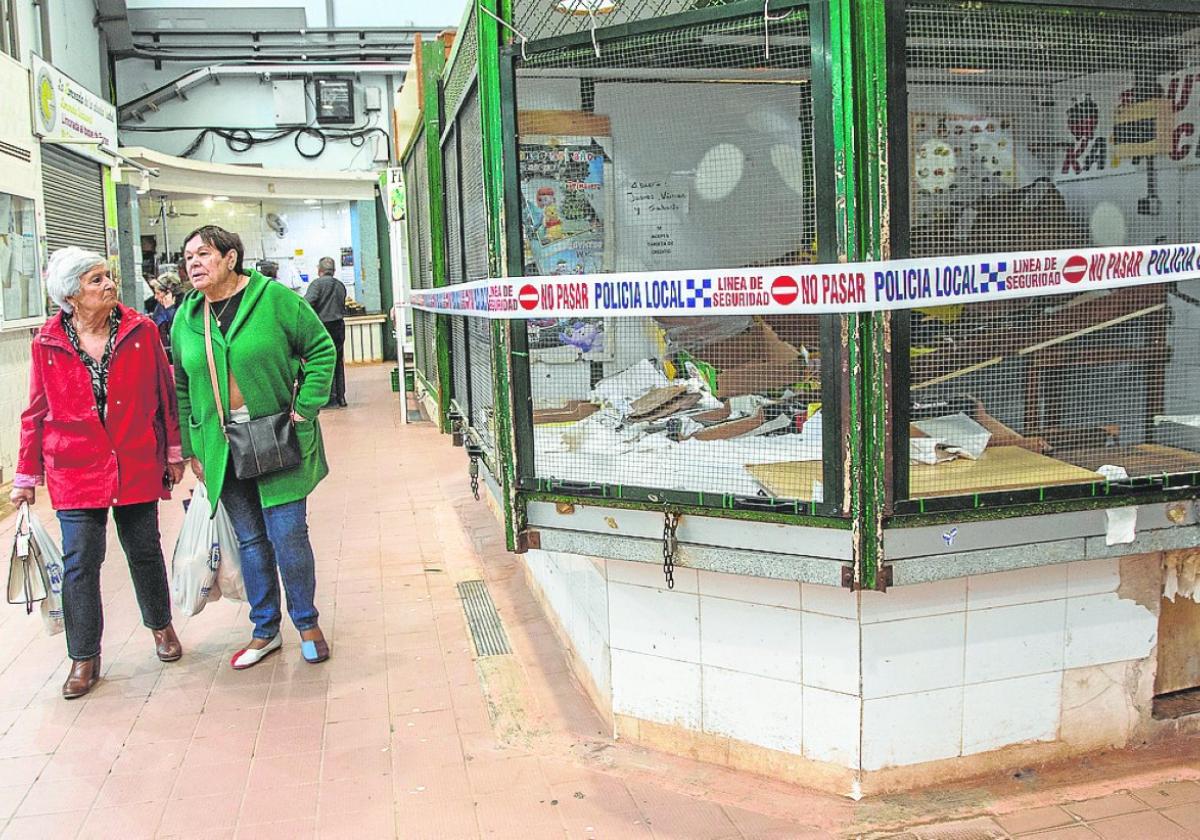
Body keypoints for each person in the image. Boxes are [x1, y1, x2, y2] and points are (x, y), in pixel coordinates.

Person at [11, 248, 185, 699]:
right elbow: (35, 412)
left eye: (107, 276)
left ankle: (161, 628)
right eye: (95, 280)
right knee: (80, 563)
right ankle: (84, 656)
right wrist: (25, 476)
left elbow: (164, 393)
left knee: (144, 550)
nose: (108, 284)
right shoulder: (47, 341)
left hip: (134, 458)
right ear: (70, 296)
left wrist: (172, 450)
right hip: (74, 466)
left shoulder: (140, 330)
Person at [172, 225, 336, 668]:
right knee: (250, 541)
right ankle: (265, 630)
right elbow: (183, 387)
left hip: (276, 438)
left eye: (203, 254)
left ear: (230, 258)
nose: (193, 264)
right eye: (188, 257)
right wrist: (193, 448)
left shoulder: (274, 299)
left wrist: (304, 409)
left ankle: (306, 623)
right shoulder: (187, 318)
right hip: (222, 447)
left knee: (288, 536)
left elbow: (321, 348)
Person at [305, 257, 348, 407]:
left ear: (319, 270)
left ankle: (327, 398)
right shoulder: (340, 286)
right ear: (334, 270)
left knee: (322, 361)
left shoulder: (316, 284)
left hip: (321, 328)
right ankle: (340, 397)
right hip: (338, 327)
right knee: (338, 361)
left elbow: (306, 305)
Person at [150, 271, 190, 355]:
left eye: (158, 293)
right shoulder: (160, 308)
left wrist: (170, 310)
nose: (155, 297)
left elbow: (178, 332)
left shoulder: (185, 305)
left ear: (168, 293)